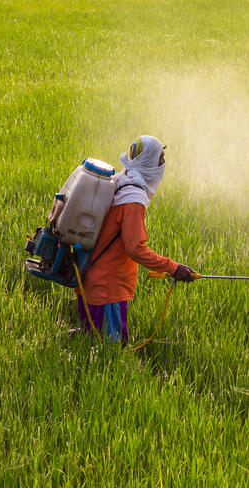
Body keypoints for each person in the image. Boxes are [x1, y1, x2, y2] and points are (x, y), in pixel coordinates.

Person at [76, 135, 195, 343]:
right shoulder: (133, 198)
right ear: (148, 161)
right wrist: (173, 267)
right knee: (109, 355)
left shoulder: (120, 180)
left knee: (90, 348)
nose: (164, 163)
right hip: (107, 289)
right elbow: (135, 248)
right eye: (161, 157)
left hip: (89, 280)